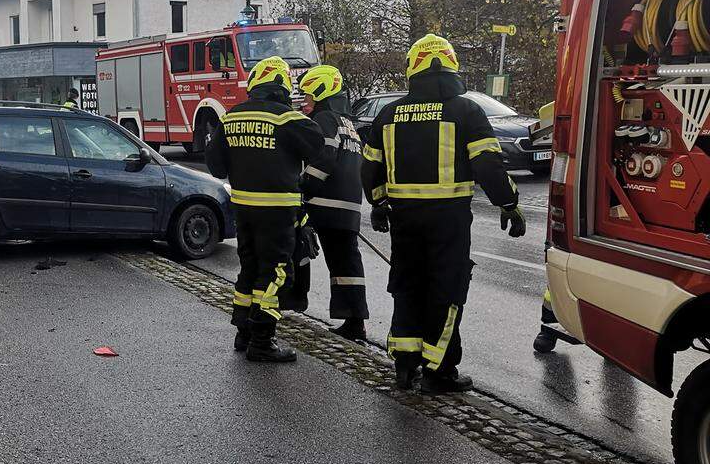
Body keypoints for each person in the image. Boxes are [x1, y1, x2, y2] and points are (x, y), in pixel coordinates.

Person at [360, 33, 526, 393]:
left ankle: (404, 367)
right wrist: (509, 204)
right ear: (451, 65)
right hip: (448, 219)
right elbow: (489, 166)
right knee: (445, 290)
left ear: (412, 69)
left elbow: (370, 167)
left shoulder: (389, 114)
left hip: (404, 218)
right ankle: (439, 372)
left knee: (407, 286)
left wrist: (378, 203)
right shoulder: (466, 111)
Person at [207, 56, 325, 362]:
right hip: (278, 211)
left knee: (249, 269)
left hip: (243, 209)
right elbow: (316, 146)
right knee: (274, 273)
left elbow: (216, 167)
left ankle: (243, 332)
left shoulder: (230, 117)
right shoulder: (287, 119)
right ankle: (262, 340)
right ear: (282, 85)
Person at [297, 65, 369, 342]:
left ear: (323, 92)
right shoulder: (347, 123)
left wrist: (302, 188)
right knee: (346, 265)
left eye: (309, 96)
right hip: (348, 206)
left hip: (325, 204)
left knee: (299, 249)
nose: (306, 102)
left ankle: (287, 302)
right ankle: (355, 321)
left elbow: (324, 159)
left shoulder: (325, 119)